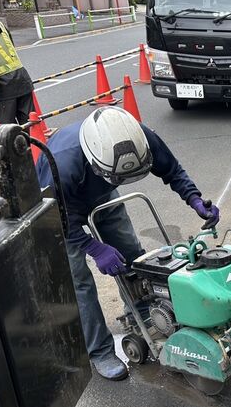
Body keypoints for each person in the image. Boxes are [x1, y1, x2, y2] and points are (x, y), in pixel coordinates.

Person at [35, 107, 221, 381]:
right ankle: (99, 350)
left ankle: (143, 315)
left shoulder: (140, 138)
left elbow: (172, 169)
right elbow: (56, 218)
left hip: (103, 191)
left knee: (132, 258)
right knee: (79, 282)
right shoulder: (61, 164)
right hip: (61, 204)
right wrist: (95, 248)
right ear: (94, 160)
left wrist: (195, 200)